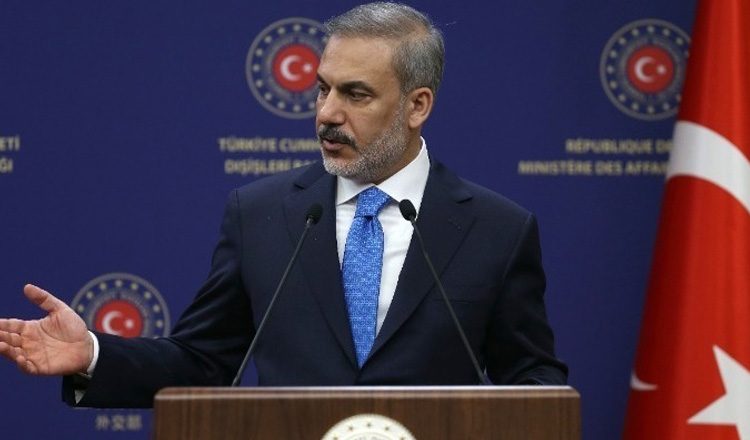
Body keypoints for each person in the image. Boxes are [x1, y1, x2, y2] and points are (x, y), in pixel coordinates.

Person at [0, 2, 567, 408]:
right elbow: (203, 361)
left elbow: (533, 380)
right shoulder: (261, 215)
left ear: (417, 105)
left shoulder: (497, 229)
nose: (327, 113)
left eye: (356, 94)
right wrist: (93, 354)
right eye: (323, 88)